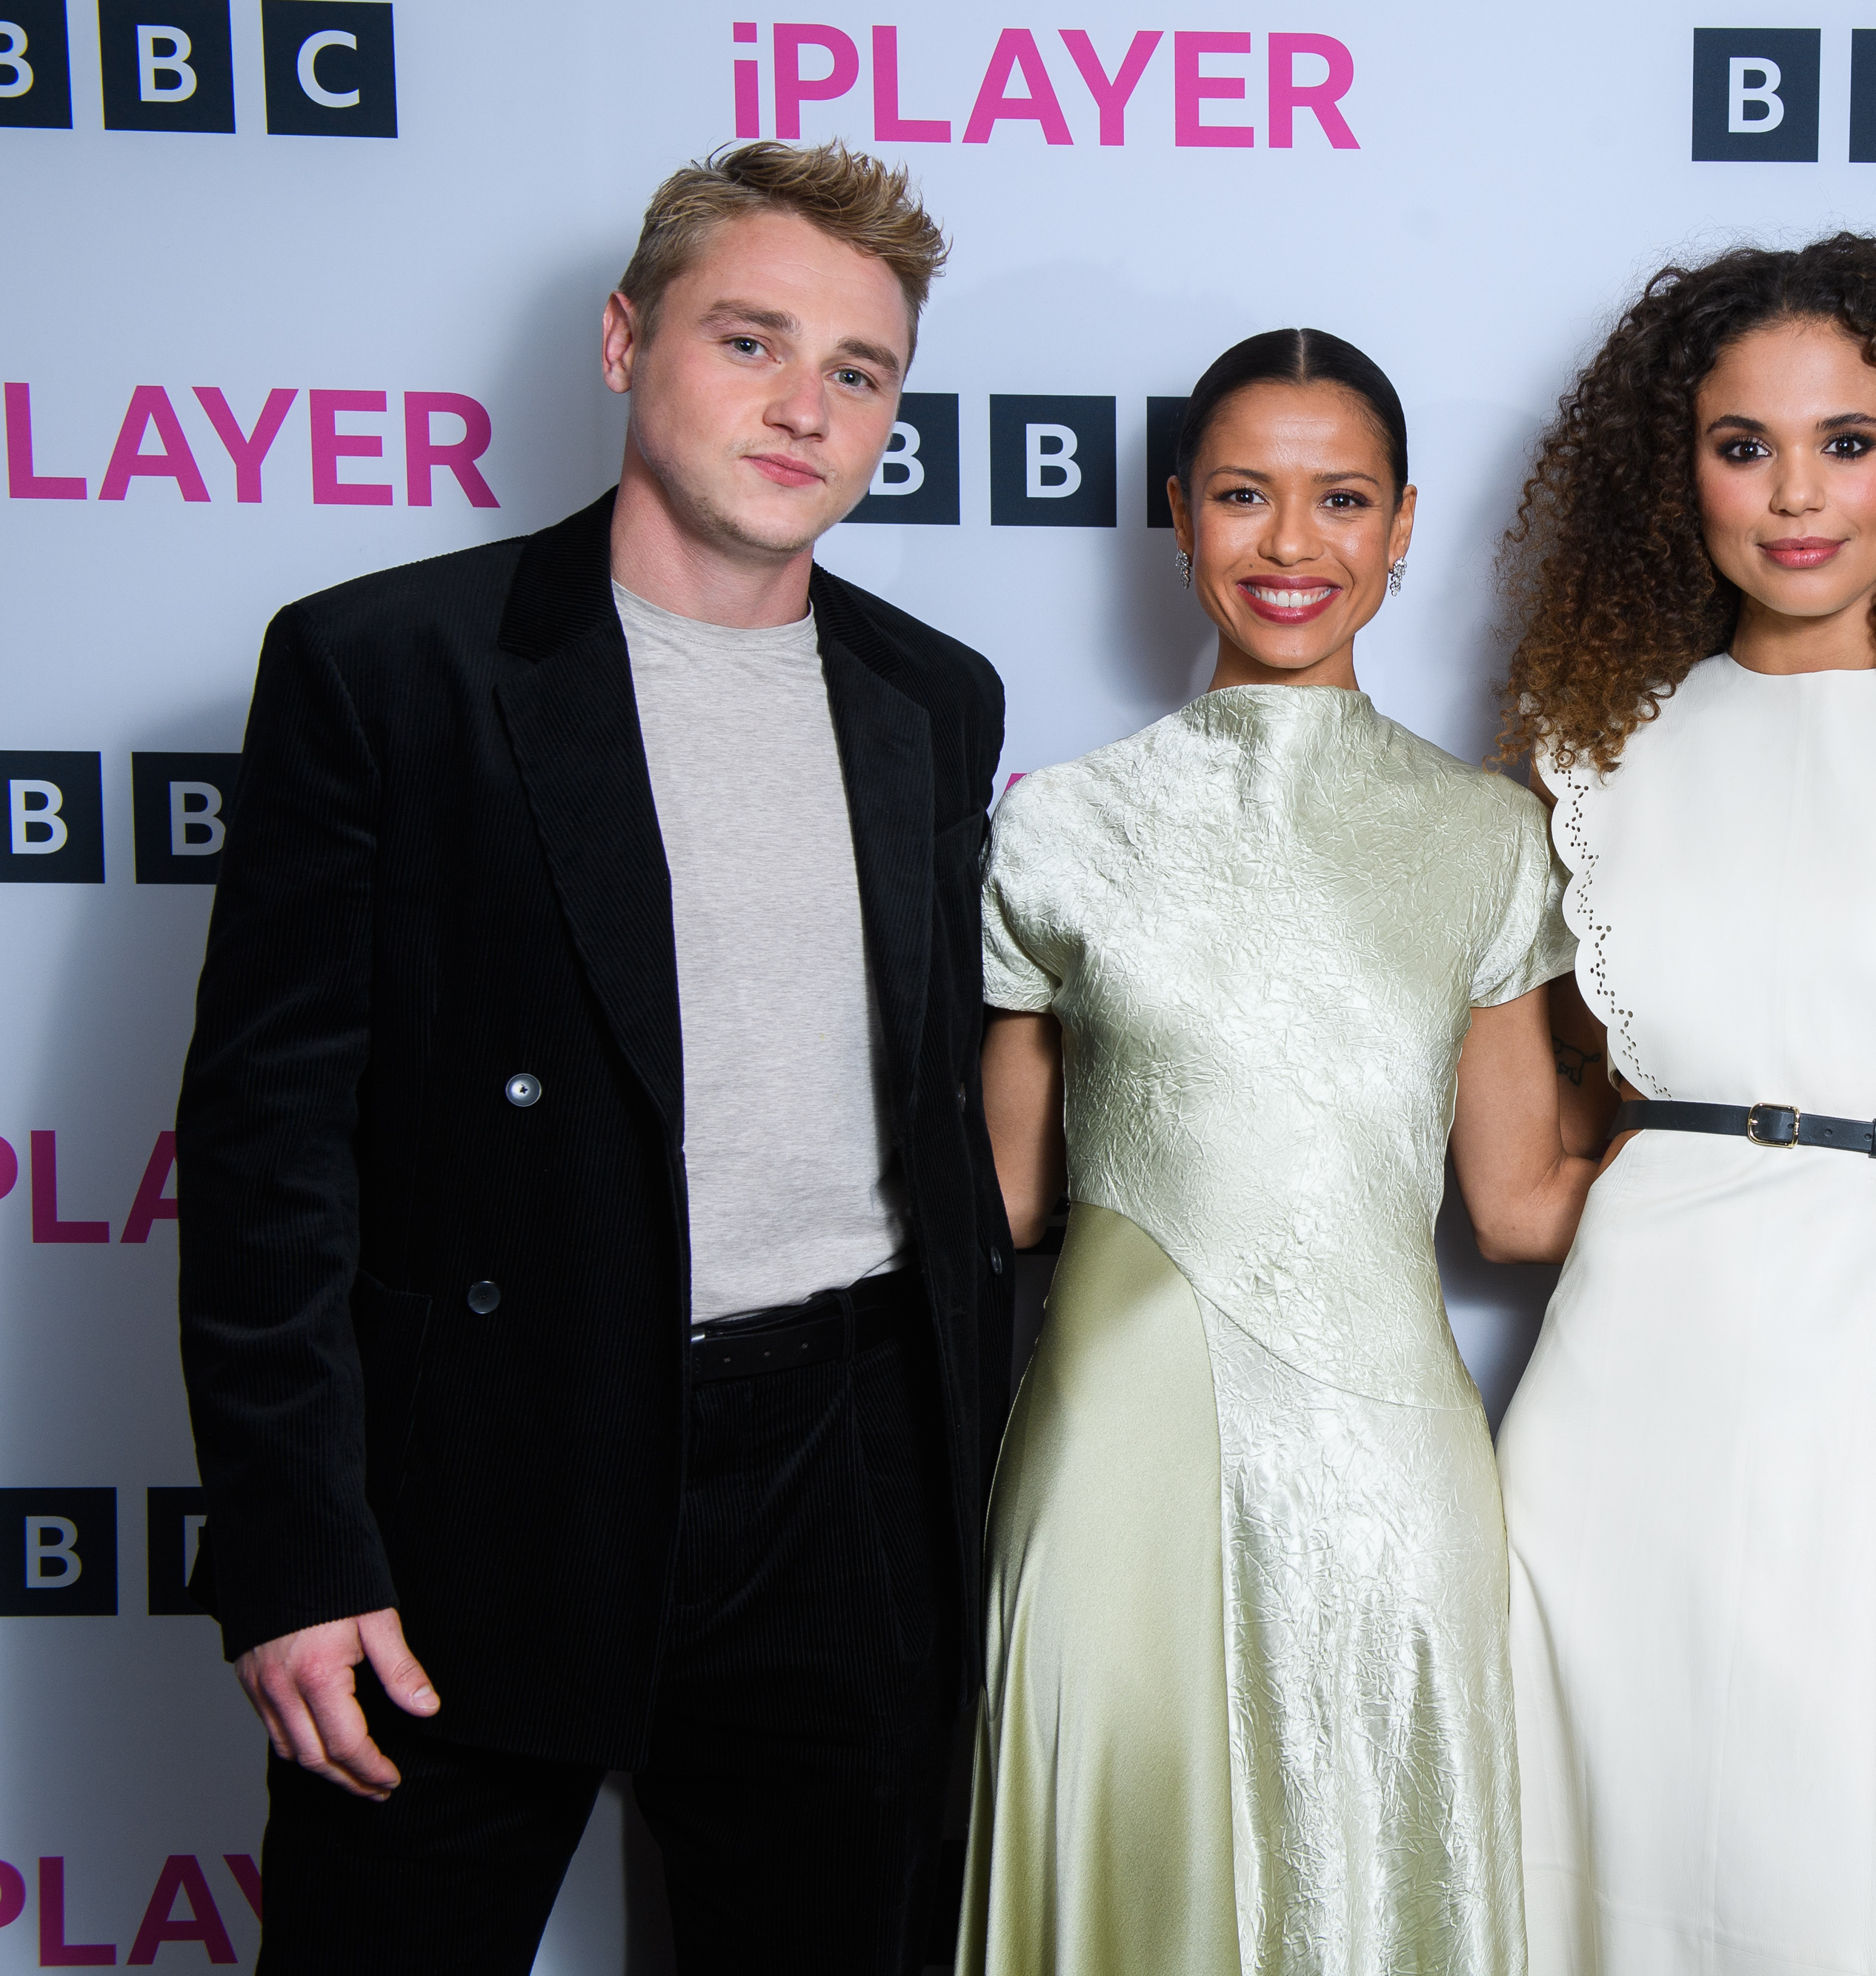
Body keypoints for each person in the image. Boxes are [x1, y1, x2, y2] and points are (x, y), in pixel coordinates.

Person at [174, 142, 1007, 1975]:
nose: (804, 407)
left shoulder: (933, 697)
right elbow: (267, 1150)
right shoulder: (386, 666)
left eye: (857, 371)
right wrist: (295, 1545)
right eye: (750, 340)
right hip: (483, 1467)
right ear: (625, 341)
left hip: (836, 1476)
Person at [1492, 235, 1876, 1975]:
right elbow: (1519, 1170)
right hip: (1616, 1399)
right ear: (1668, 467)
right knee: (1586, 1877)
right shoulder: (1583, 739)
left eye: (1849, 441)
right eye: (1741, 443)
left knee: (1843, 1876)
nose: (1795, 497)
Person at [960, 328, 1597, 1976]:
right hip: (1114, 1453)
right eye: (1243, 494)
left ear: (1400, 529)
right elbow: (1010, 1197)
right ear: (1178, 515)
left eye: (1339, 500)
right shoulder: (1057, 823)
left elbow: (1521, 1201)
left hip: (1385, 1469)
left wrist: (1797, 1147)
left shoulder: (1485, 832)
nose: (1290, 544)